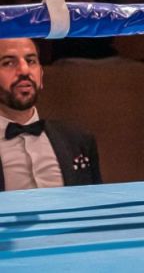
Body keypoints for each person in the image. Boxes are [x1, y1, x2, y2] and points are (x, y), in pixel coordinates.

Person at [0, 38, 102, 190]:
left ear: (41, 74)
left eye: (31, 61)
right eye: (8, 63)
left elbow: (95, 200)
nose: (25, 70)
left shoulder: (78, 139)